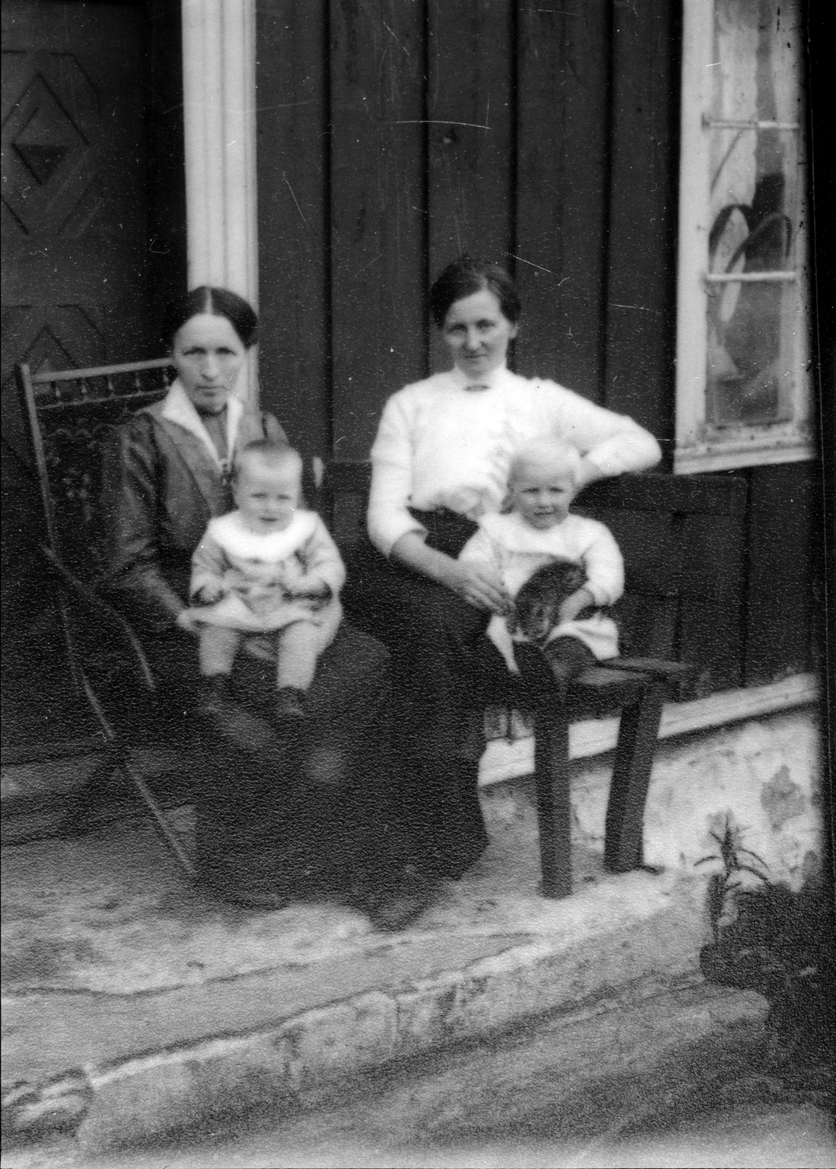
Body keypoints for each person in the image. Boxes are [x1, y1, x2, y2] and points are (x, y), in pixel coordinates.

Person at [100, 285, 431, 929]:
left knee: (368, 658)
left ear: (247, 353)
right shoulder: (139, 438)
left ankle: (345, 857)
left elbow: (300, 535)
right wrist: (189, 614)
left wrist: (315, 600)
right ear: (172, 354)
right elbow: (125, 566)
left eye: (226, 352)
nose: (210, 370)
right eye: (194, 352)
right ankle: (245, 859)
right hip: (191, 621)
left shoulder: (264, 430)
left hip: (278, 611)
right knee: (286, 686)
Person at [343, 254, 661, 882]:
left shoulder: (541, 401)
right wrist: (446, 571)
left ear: (512, 326)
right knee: (422, 637)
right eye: (458, 328)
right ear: (441, 331)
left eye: (486, 325)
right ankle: (442, 837)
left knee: (429, 647)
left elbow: (641, 442)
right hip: (411, 557)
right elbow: (383, 516)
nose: (473, 342)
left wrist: (569, 475)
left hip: (488, 556)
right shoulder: (411, 403)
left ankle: (412, 851)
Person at [184, 440, 344, 726]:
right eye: (258, 496)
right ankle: (214, 683)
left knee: (302, 634)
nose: (271, 508)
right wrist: (206, 585)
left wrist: (315, 582)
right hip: (240, 602)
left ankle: (291, 693)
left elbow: (328, 562)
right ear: (236, 492)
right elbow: (204, 565)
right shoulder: (223, 530)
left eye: (283, 498)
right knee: (216, 629)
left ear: (296, 495)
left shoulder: (305, 527)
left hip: (288, 601)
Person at [458, 436, 624, 687]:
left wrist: (581, 598)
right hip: (506, 621)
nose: (544, 502)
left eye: (556, 490)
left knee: (571, 648)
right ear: (512, 489)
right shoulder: (496, 529)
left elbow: (609, 576)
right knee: (483, 642)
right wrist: (484, 578)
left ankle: (548, 678)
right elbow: (473, 562)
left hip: (570, 623)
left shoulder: (588, 533)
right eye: (531, 491)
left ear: (573, 488)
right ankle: (506, 676)